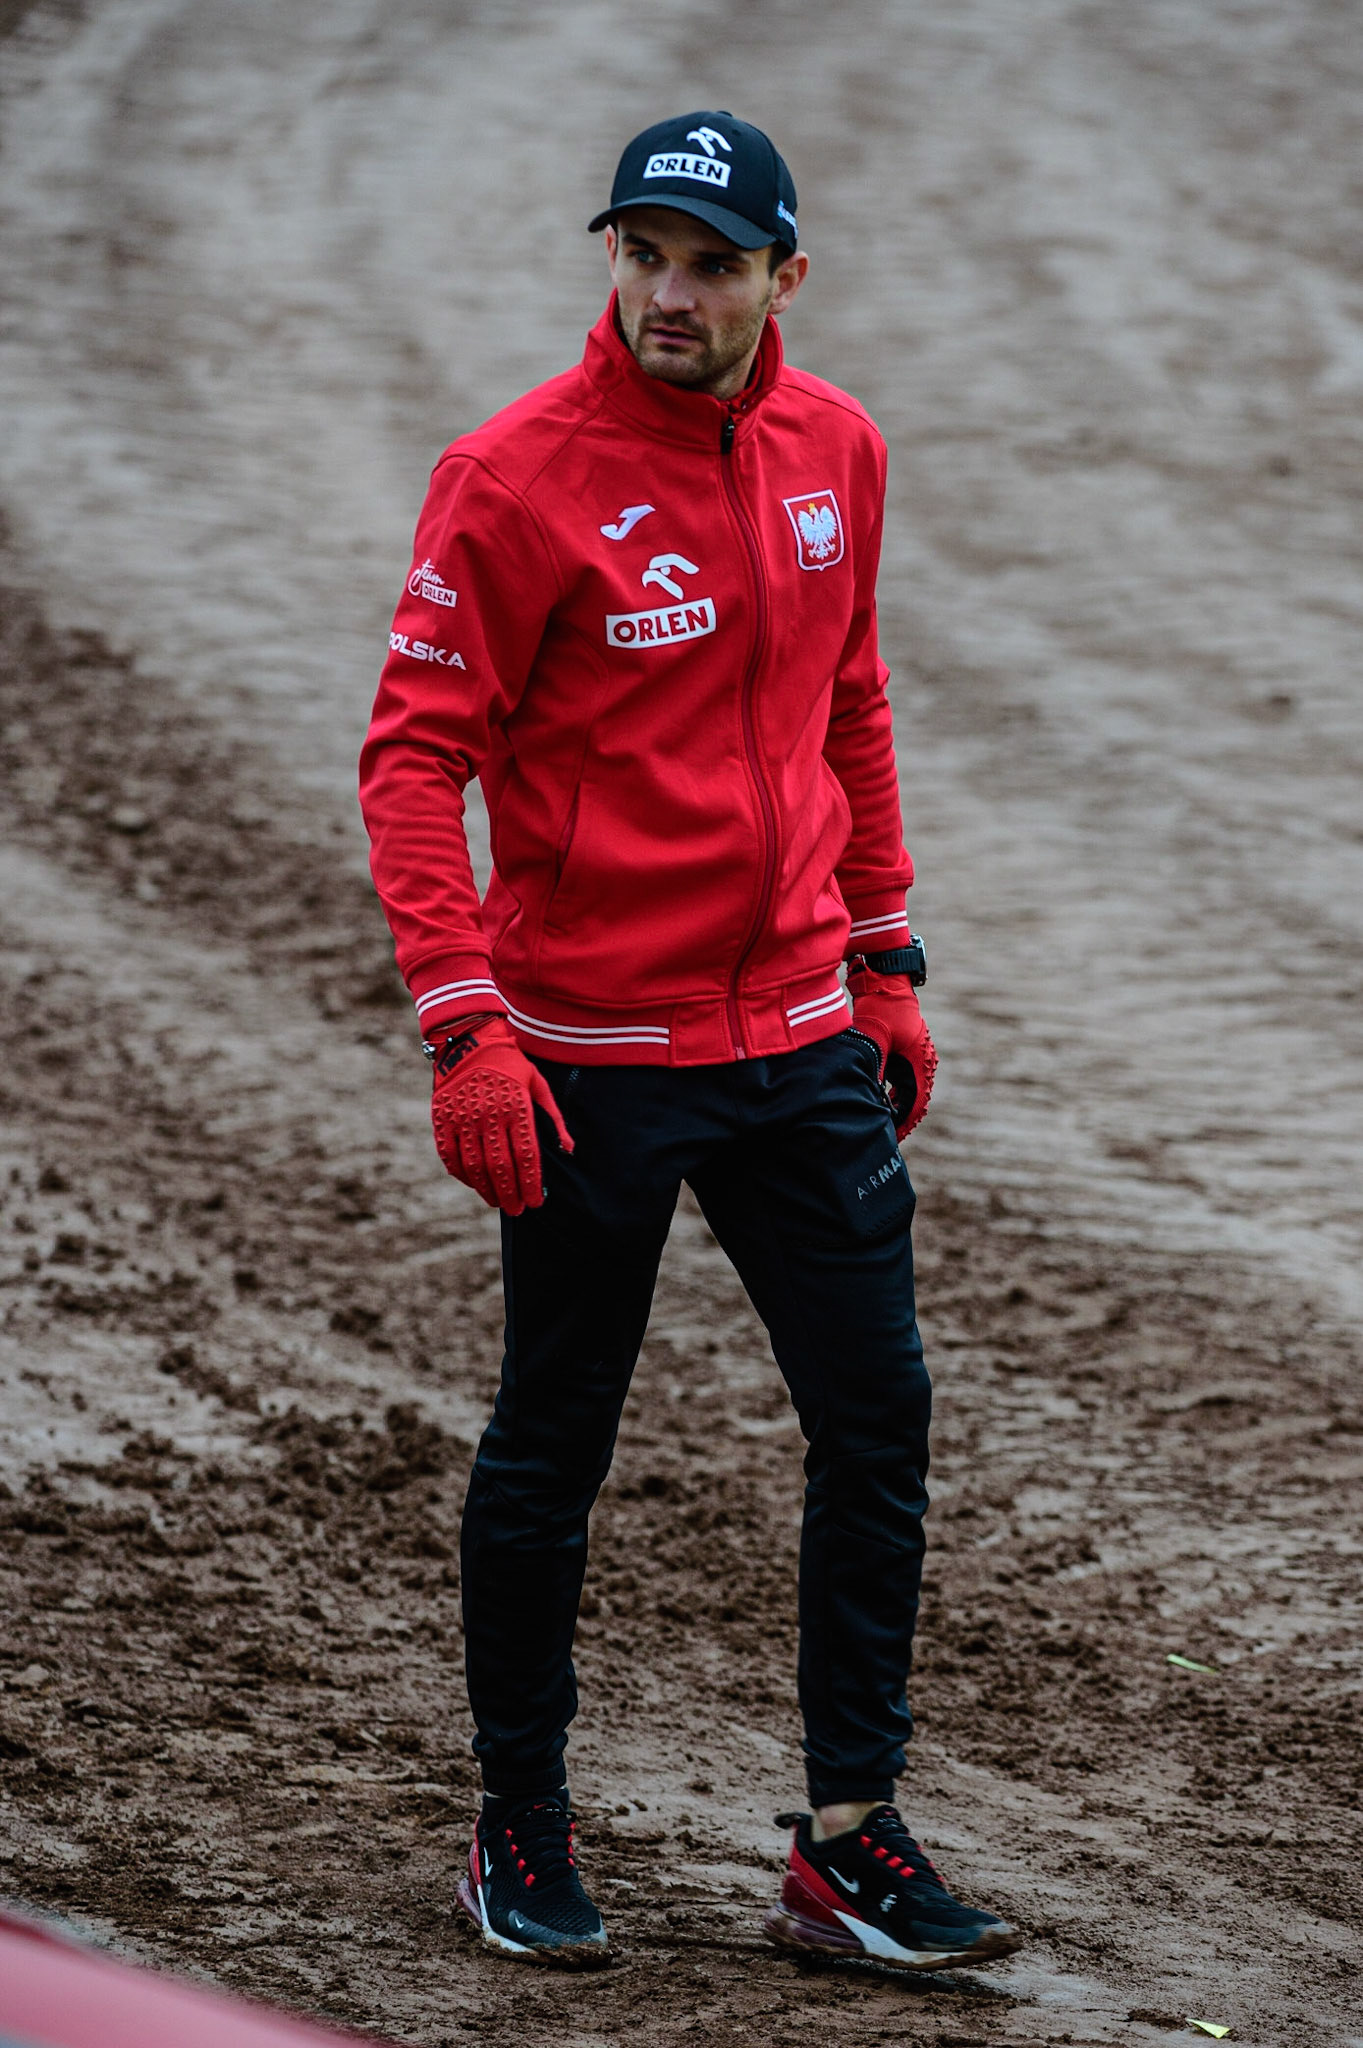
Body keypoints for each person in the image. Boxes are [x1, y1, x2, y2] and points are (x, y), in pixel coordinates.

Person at [359, 110, 1019, 1974]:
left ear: (782, 279)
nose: (669, 292)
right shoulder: (511, 479)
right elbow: (413, 762)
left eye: (713, 264)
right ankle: (520, 1823)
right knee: (555, 1442)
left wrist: (886, 957)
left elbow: (851, 701)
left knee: (879, 1419)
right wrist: (466, 1027)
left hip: (800, 1037)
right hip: (587, 1054)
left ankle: (848, 1845)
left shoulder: (839, 449)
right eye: (642, 252)